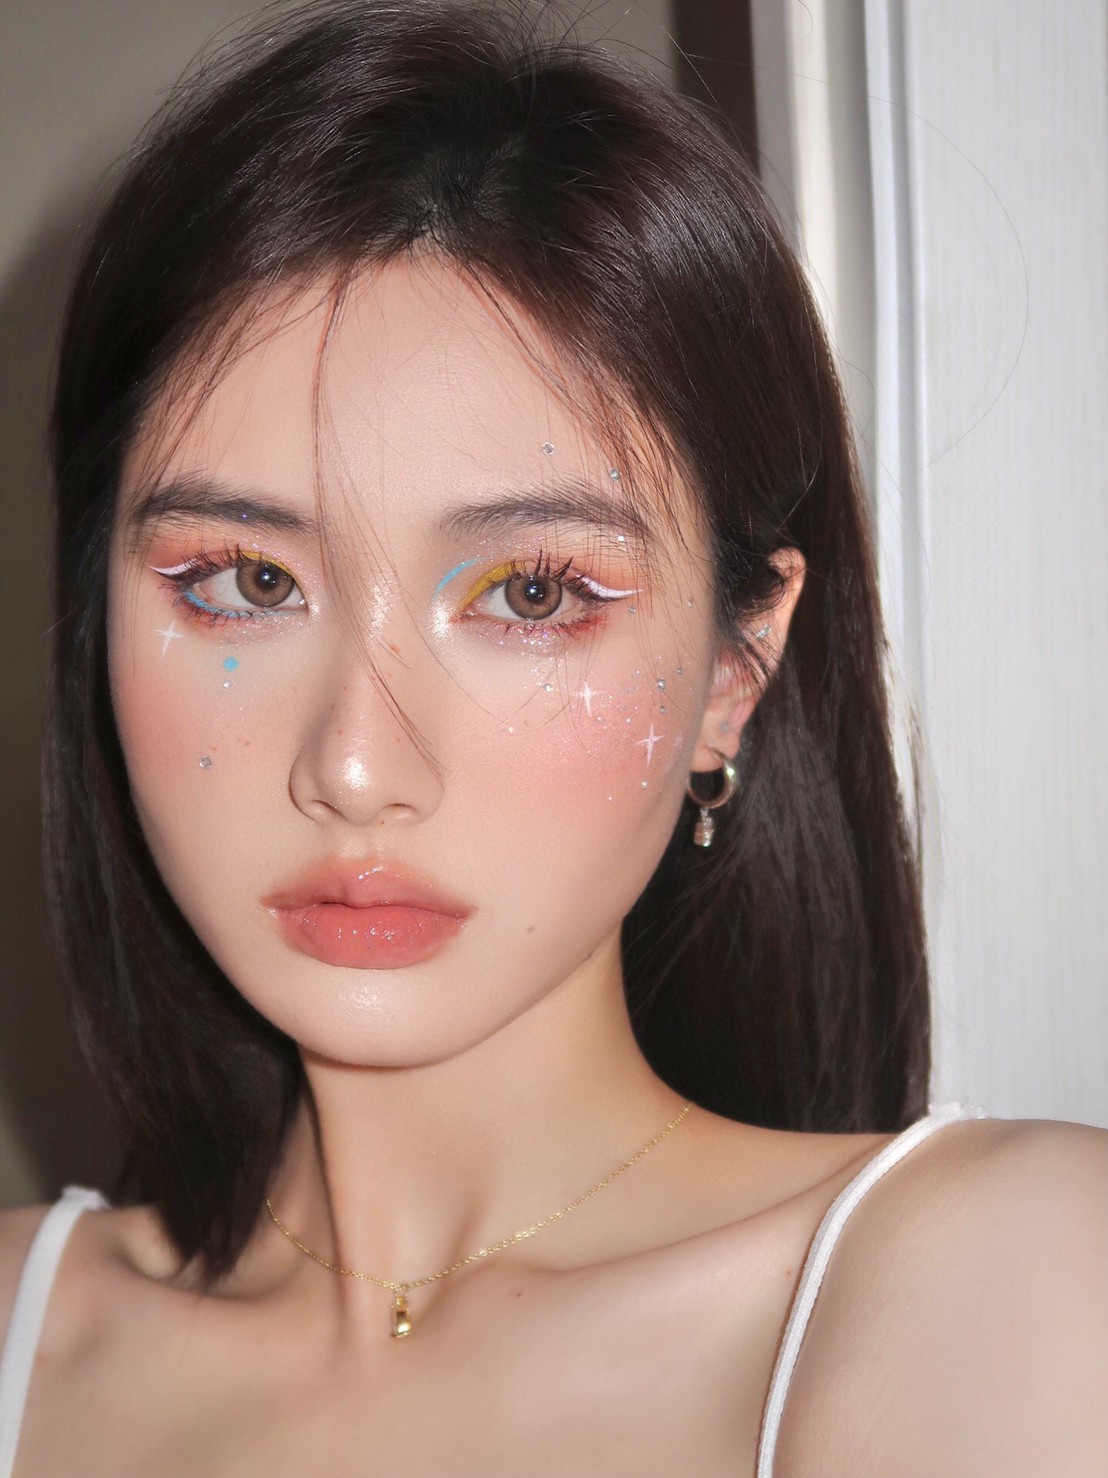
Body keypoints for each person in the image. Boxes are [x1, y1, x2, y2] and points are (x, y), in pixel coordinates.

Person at [0, 1, 1104, 1473]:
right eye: (248, 583)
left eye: (531, 594)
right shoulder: (22, 1335)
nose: (355, 766)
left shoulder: (997, 1292)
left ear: (735, 668)